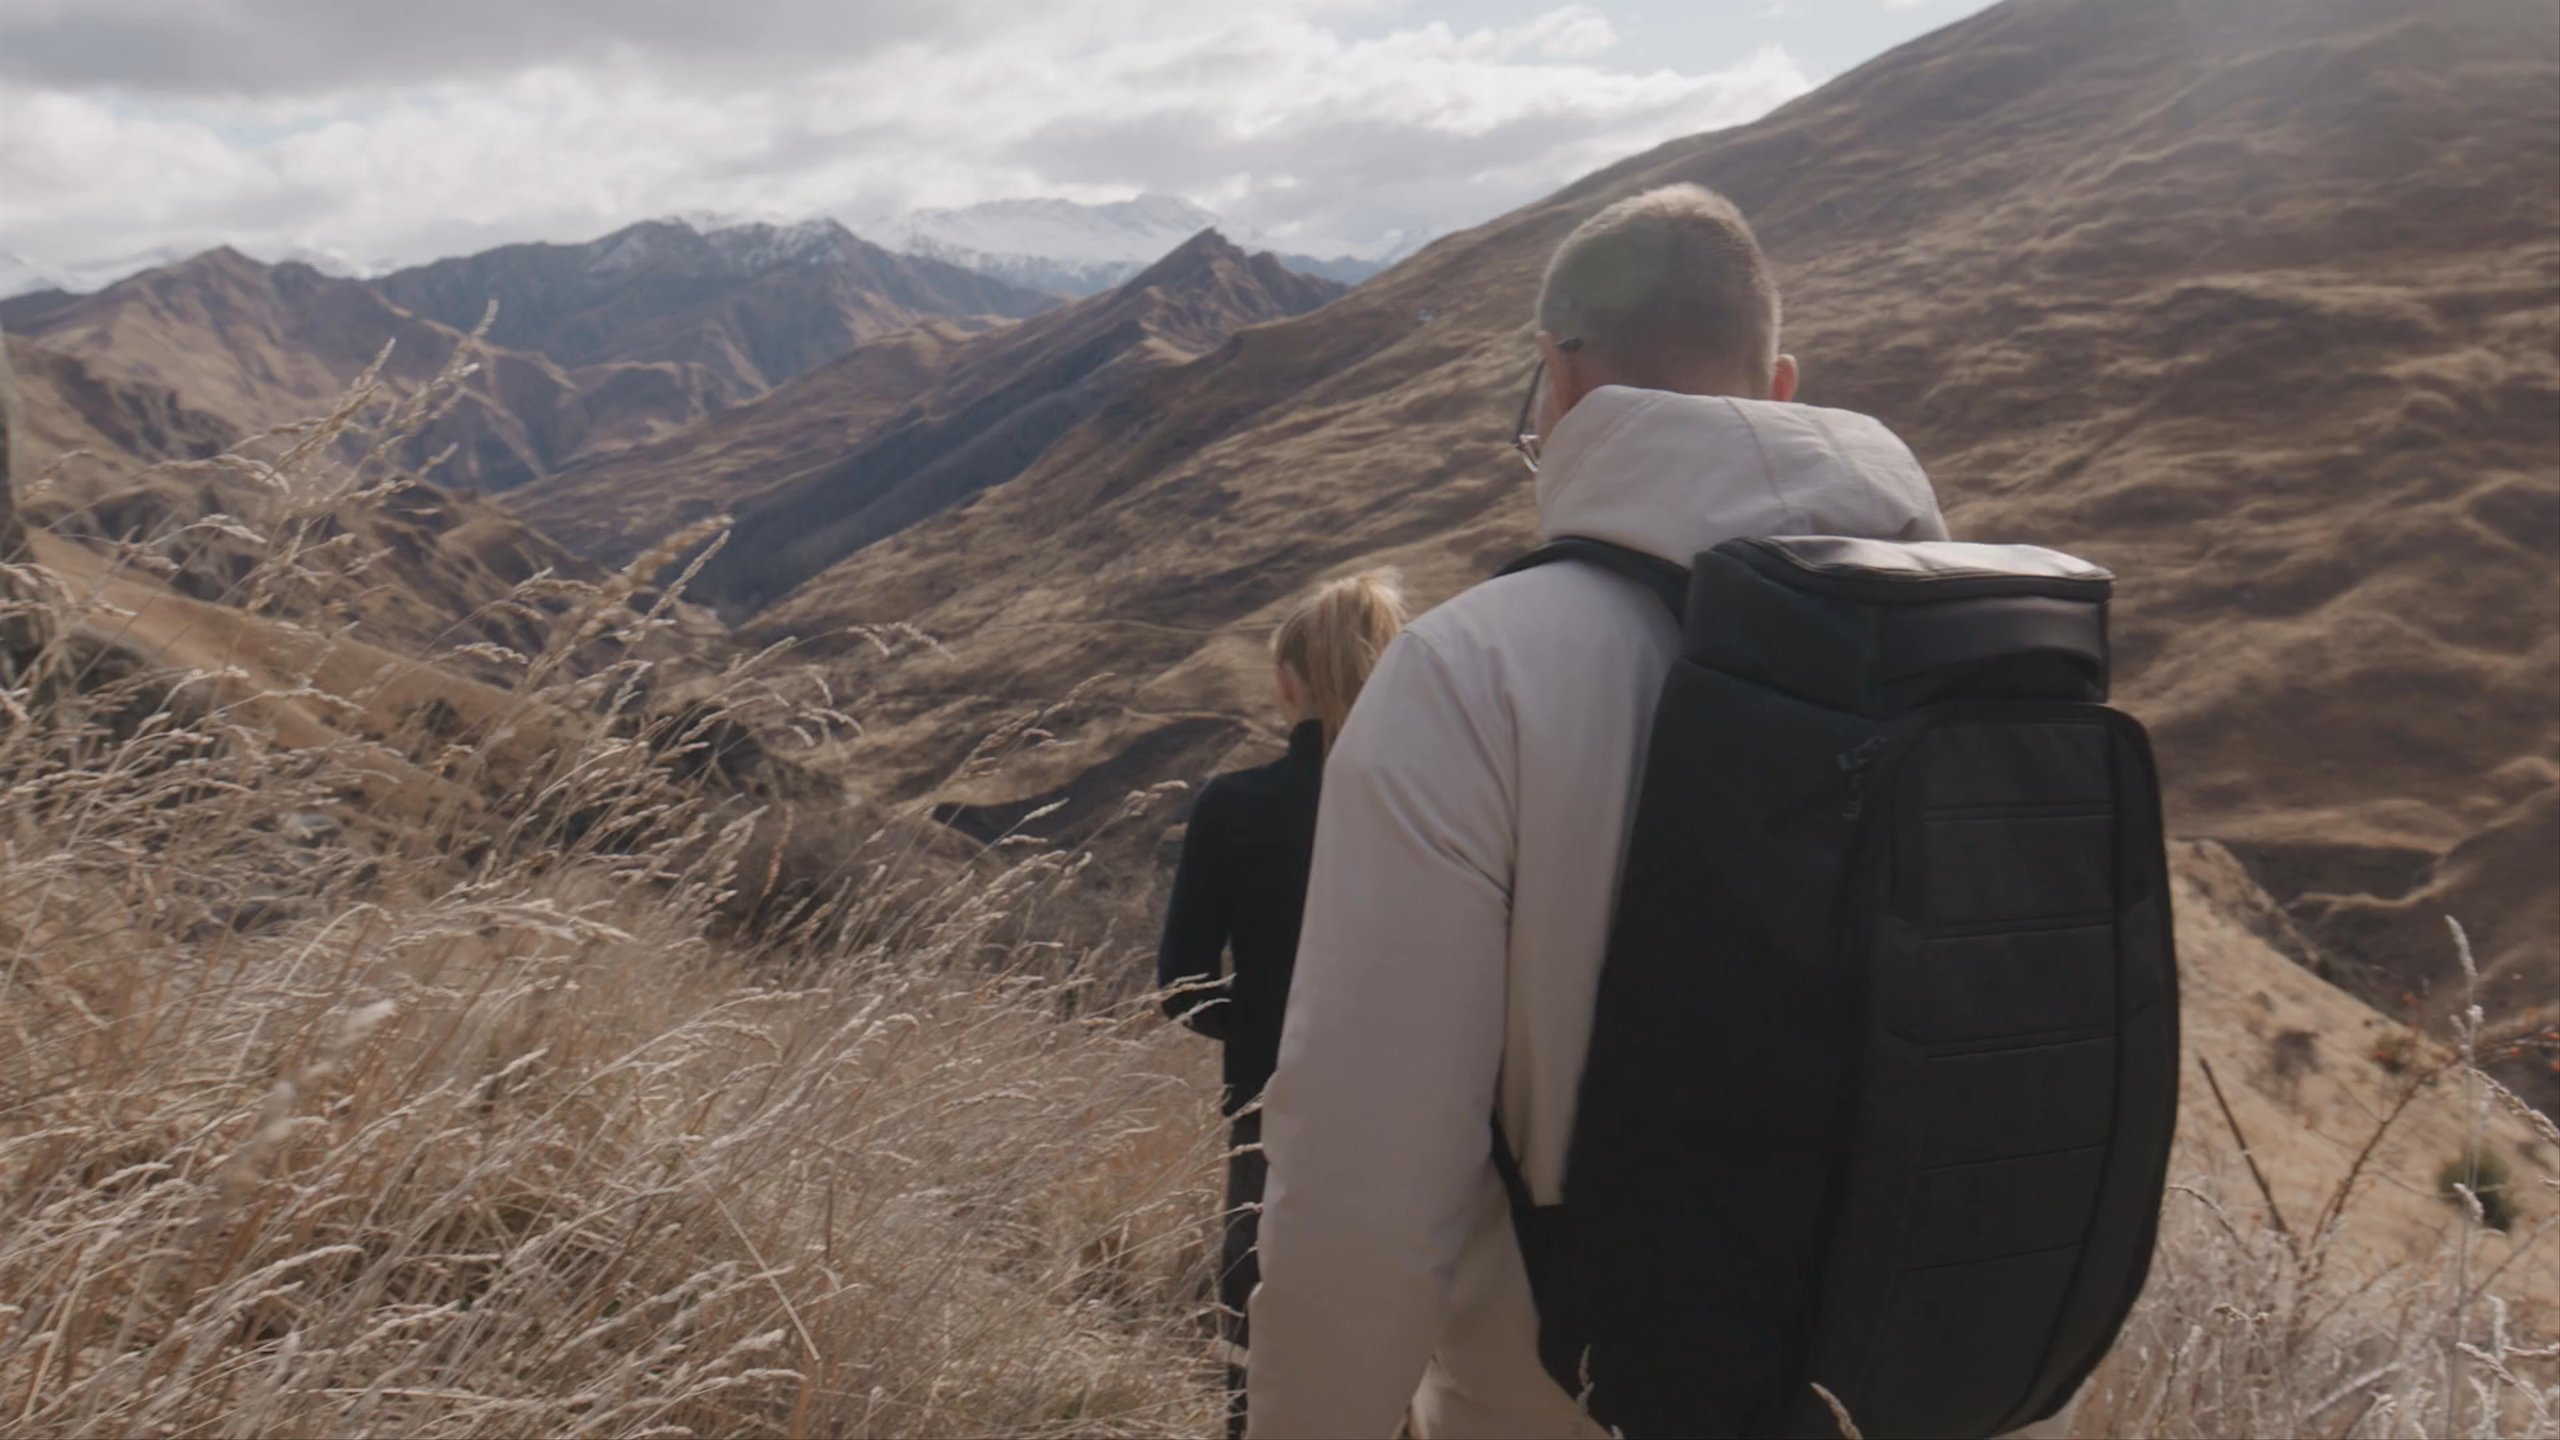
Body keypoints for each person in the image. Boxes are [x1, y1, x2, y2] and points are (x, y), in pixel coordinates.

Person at [1245, 184, 1951, 1438]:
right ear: (1778, 387)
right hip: (1947, 1387)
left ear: (1557, 380)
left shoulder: (1476, 674)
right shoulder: (1976, 655)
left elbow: (1362, 1184)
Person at [1156, 571, 1408, 1440]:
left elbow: (1182, 988)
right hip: (1424, 1119)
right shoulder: (1439, 801)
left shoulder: (1235, 808)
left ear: (1288, 681)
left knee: (1261, 1363)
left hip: (1275, 1113)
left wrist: (1264, 1019)